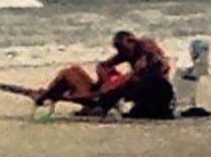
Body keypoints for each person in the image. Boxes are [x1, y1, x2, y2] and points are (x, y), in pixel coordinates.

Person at [34, 30, 174, 119]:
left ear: (132, 41)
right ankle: (46, 96)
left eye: (123, 48)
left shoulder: (146, 50)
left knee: (68, 74)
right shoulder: (129, 53)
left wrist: (108, 88)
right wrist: (104, 79)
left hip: (134, 93)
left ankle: (45, 97)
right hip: (122, 91)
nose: (122, 53)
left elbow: (158, 65)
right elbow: (104, 65)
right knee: (72, 71)